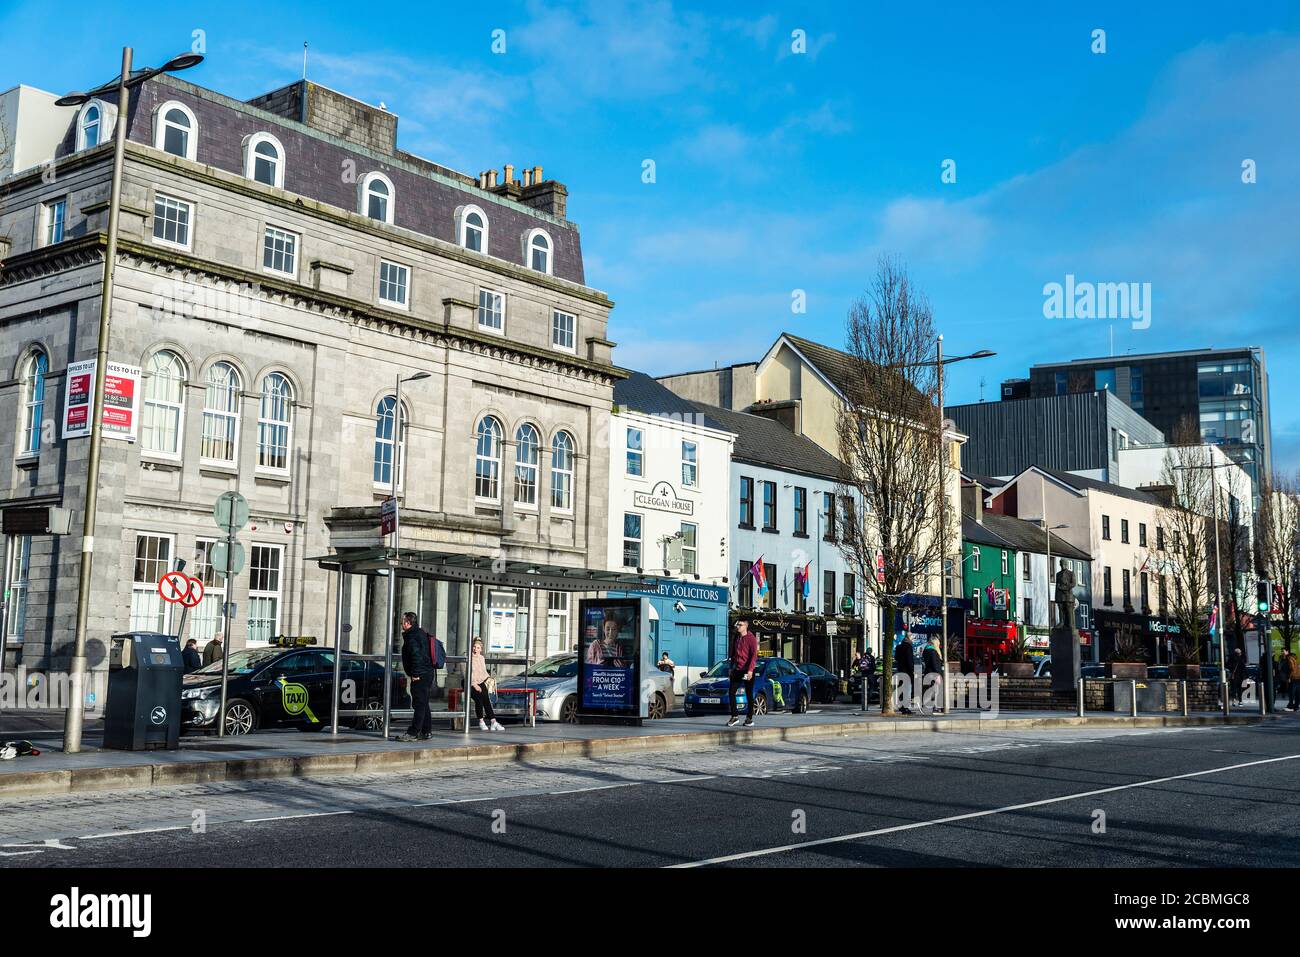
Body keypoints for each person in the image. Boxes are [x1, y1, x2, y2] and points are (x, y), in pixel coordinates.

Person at [397, 611, 435, 741]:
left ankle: (413, 732)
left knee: (419, 704)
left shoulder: (412, 636)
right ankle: (426, 731)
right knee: (424, 703)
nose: (401, 623)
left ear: (407, 623)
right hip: (428, 672)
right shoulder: (420, 633)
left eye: (402, 621)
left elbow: (416, 656)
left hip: (420, 674)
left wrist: (415, 674)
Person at [727, 618, 758, 728]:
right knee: (731, 692)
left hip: (747, 670)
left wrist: (750, 670)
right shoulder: (737, 637)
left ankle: (749, 718)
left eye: (740, 625)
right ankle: (735, 716)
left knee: (749, 694)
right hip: (737, 669)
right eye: (737, 625)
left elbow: (754, 656)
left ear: (746, 626)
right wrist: (730, 667)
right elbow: (733, 653)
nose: (737, 626)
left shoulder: (751, 639)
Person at [470, 638, 504, 731]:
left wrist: (489, 679)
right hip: (469, 682)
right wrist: (474, 684)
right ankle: (481, 721)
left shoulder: (481, 658)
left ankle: (493, 722)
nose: (475, 649)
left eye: (477, 648)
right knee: (479, 699)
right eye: (474, 647)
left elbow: (483, 672)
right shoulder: (468, 657)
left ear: (480, 649)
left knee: (486, 700)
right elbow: (466, 673)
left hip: (480, 681)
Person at [894, 637, 916, 715]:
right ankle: (906, 707)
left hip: (900, 671)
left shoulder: (898, 647)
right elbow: (909, 660)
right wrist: (912, 670)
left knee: (902, 689)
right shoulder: (908, 647)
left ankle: (902, 706)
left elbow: (896, 658)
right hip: (907, 672)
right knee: (908, 690)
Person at [922, 637, 943, 712]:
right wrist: (938, 674)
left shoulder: (926, 650)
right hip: (934, 673)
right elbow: (935, 664)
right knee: (936, 690)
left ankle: (928, 704)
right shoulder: (933, 651)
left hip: (928, 672)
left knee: (932, 690)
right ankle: (935, 707)